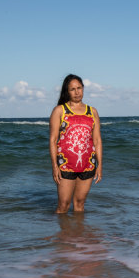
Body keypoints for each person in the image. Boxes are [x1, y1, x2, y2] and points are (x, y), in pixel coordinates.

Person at [49, 74, 103, 213]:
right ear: (67, 91)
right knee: (63, 206)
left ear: (83, 89)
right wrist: (55, 166)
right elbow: (53, 140)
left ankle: (79, 234)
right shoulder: (59, 111)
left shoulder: (92, 112)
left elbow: (97, 140)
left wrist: (99, 165)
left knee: (80, 204)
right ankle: (60, 234)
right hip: (66, 165)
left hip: (88, 164)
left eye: (79, 88)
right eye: (72, 89)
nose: (77, 92)